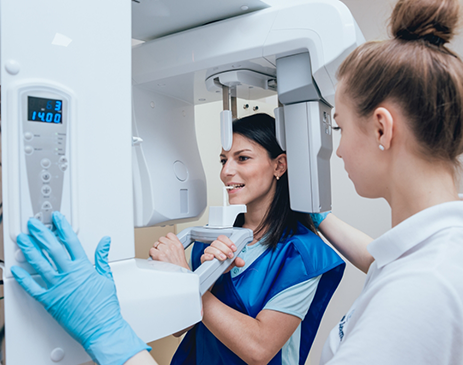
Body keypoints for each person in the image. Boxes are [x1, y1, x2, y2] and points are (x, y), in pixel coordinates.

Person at [10, 0, 463, 363]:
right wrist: (173, 286)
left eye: (338, 128)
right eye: (223, 158)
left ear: (382, 129)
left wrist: (115, 332)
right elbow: (380, 258)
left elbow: (258, 348)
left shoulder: (416, 290)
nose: (335, 150)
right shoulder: (425, 257)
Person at [148, 113, 345, 365]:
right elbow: (179, 327)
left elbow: (259, 349)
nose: (226, 172)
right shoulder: (210, 238)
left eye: (242, 158)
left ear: (279, 166)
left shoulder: (303, 254)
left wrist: (187, 281)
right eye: (223, 160)